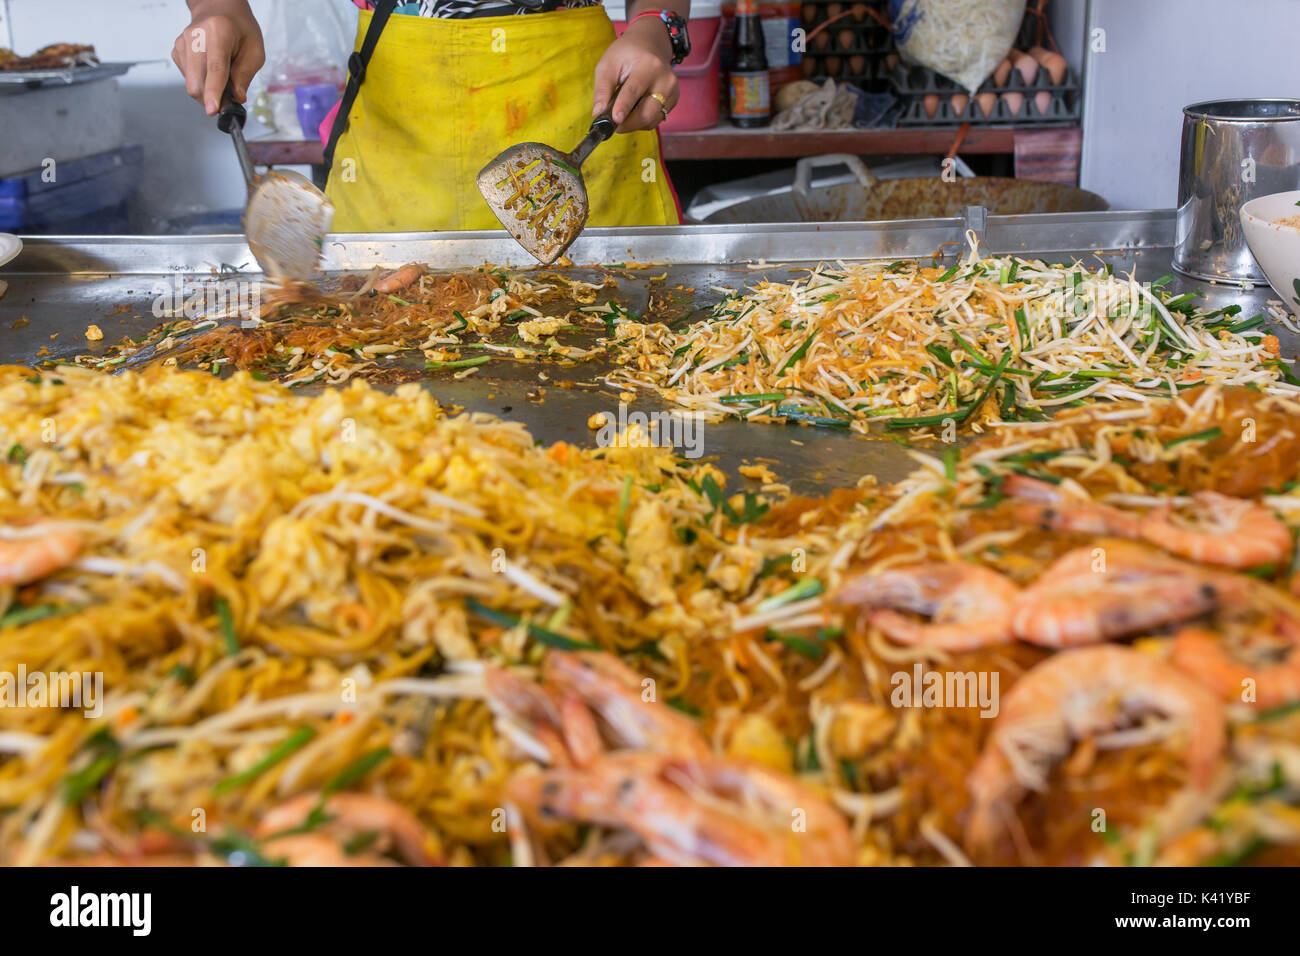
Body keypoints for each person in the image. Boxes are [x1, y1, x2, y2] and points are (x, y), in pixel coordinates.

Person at [172, 0, 688, 231]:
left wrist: (654, 29)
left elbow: (659, 13)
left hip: (583, 116)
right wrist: (216, 10)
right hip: (397, 144)